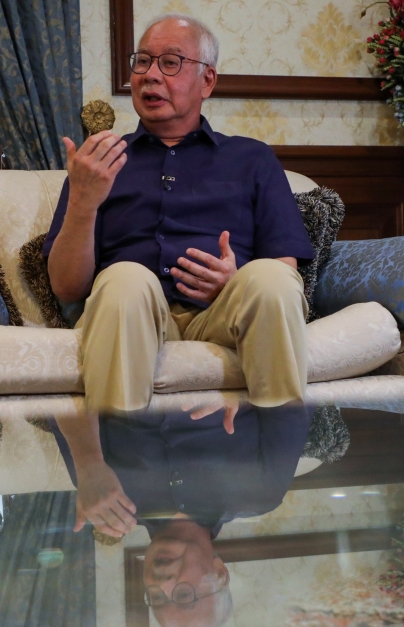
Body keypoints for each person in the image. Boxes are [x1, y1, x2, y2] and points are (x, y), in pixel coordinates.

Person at [42, 13, 314, 413]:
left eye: (170, 63)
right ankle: (122, 464)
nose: (150, 75)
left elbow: (284, 266)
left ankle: (275, 460)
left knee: (272, 279)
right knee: (124, 279)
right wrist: (84, 201)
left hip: (224, 313)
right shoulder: (98, 164)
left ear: (207, 80)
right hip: (131, 312)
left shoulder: (252, 159)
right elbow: (66, 287)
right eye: (142, 61)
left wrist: (233, 280)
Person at [51, 402, 313, 627]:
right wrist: (236, 390)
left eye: (156, 597)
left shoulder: (104, 493)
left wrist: (88, 463)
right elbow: (293, 394)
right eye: (184, 595)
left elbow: (64, 392)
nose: (161, 583)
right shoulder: (261, 491)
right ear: (220, 574)